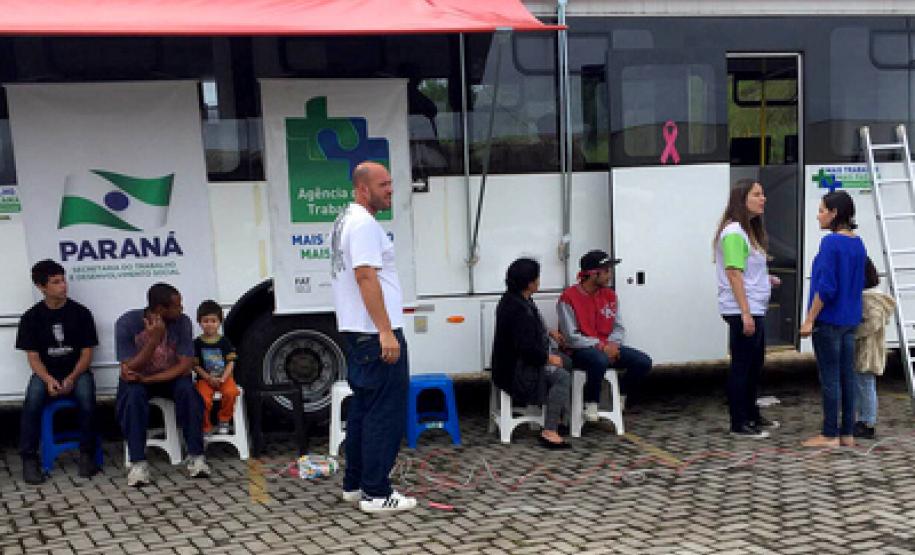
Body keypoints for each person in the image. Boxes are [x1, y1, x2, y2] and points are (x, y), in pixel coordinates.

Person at [330, 160, 416, 513]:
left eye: (391, 183)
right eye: (384, 185)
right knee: (385, 413)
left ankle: (355, 484)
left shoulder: (345, 220)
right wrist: (385, 331)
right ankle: (377, 493)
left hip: (358, 331)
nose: (391, 190)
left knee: (364, 412)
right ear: (363, 189)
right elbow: (366, 276)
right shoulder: (363, 224)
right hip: (374, 332)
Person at [115, 283, 210, 486]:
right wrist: (153, 340)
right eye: (177, 306)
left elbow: (184, 365)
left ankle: (196, 456)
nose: (182, 309)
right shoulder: (127, 323)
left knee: (190, 394)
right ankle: (138, 463)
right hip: (137, 379)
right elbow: (129, 368)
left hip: (168, 377)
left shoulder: (182, 322)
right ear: (160, 309)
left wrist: (148, 379)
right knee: (132, 398)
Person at [16, 259, 99, 484]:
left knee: (86, 398)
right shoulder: (31, 318)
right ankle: (29, 459)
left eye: (63, 280)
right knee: (32, 401)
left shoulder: (81, 314)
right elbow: (32, 357)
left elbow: (86, 354)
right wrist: (48, 379)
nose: (63, 285)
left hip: (77, 371)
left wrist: (72, 377)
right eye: (56, 282)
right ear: (41, 287)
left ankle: (87, 454)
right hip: (46, 372)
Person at [714, 179, 781, 438]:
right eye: (757, 194)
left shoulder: (748, 232)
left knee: (755, 364)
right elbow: (733, 274)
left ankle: (751, 413)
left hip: (755, 307)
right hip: (744, 309)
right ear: (742, 200)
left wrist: (767, 279)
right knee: (743, 365)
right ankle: (739, 421)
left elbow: (748, 270)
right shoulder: (733, 233)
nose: (763, 199)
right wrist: (745, 313)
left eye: (763, 194)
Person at [800, 190, 867, 448]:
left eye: (821, 210)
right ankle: (847, 433)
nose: (818, 216)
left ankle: (829, 433)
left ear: (834, 213)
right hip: (850, 319)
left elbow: (826, 288)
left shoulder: (830, 244)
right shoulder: (857, 242)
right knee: (847, 377)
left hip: (829, 320)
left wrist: (809, 319)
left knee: (830, 378)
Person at [558, 250, 652, 421]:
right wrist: (601, 347)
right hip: (580, 349)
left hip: (608, 346)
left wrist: (613, 345)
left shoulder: (610, 295)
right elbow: (571, 336)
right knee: (598, 360)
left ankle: (619, 397)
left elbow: (619, 327)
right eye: (607, 270)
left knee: (643, 362)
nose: (610, 275)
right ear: (593, 274)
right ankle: (591, 403)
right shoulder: (568, 297)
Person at [491, 257, 572, 449]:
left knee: (567, 361)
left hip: (513, 364)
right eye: (537, 278)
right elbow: (526, 348)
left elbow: (528, 334)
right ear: (529, 283)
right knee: (562, 376)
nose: (539, 281)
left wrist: (548, 332)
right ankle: (550, 430)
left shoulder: (515, 299)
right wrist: (548, 358)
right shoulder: (518, 309)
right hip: (517, 372)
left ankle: (559, 416)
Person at [853, 257, 895, 440]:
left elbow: (873, 323)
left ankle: (868, 422)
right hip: (864, 348)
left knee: (866, 384)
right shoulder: (869, 295)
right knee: (861, 384)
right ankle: (861, 418)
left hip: (868, 349)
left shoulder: (871, 298)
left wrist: (853, 332)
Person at [193, 300, 240, 436]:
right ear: (199, 322)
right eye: (205, 321)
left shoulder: (224, 342)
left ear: (220, 322)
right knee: (202, 399)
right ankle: (206, 426)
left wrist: (223, 378)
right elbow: (195, 365)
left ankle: (224, 419)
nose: (209, 324)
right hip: (204, 380)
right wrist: (207, 377)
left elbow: (231, 362)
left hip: (224, 378)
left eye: (213, 321)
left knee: (231, 393)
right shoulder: (197, 343)